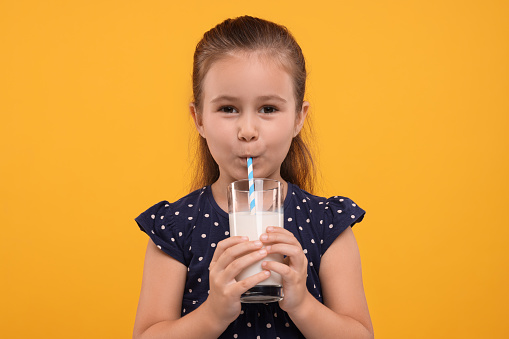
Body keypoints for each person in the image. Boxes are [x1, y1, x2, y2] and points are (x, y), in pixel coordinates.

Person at [133, 16, 373, 339]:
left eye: (269, 109)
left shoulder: (326, 225)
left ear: (298, 119)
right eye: (228, 109)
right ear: (199, 118)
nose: (248, 131)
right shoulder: (177, 228)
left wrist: (302, 304)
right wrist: (212, 314)